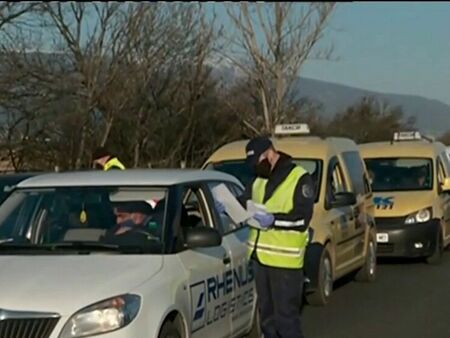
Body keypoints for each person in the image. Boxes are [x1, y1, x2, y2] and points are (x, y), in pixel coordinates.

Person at [230, 136, 314, 338]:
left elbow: (301, 219)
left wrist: (273, 220)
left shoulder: (299, 177)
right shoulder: (260, 180)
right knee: (266, 320)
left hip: (286, 263)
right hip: (261, 260)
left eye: (257, 161)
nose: (255, 168)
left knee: (286, 321)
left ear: (270, 153)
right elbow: (246, 202)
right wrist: (229, 206)